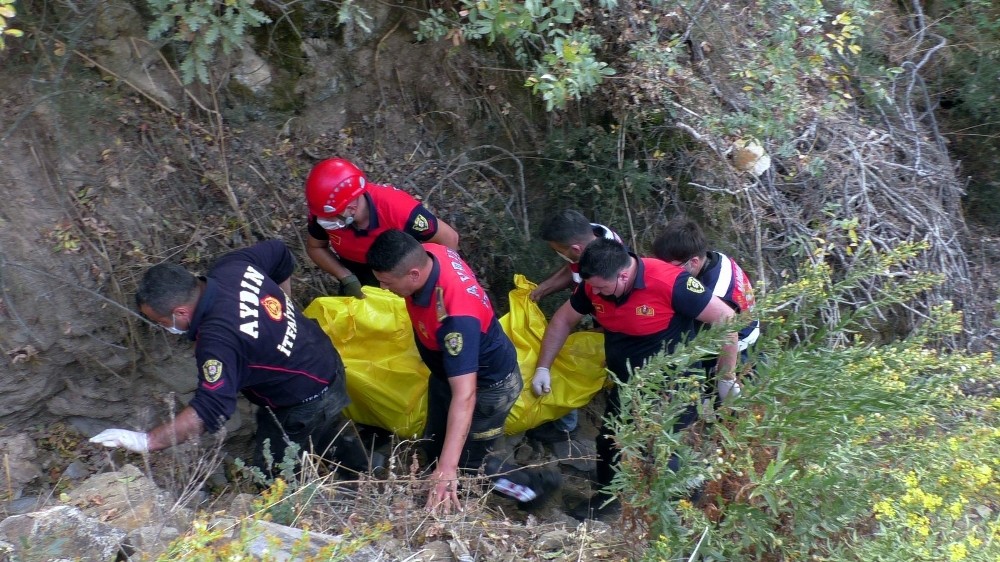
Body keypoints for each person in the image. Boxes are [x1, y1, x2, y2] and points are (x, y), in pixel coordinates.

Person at [90, 240, 369, 474]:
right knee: (328, 429)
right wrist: (283, 309)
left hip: (303, 399)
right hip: (325, 357)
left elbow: (211, 407)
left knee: (273, 472)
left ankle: (310, 504)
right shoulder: (232, 267)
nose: (164, 328)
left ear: (181, 313)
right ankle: (364, 471)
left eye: (162, 322)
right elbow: (279, 252)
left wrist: (147, 441)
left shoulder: (217, 342)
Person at [533, 238, 739, 520]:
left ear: (623, 275)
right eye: (593, 288)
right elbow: (563, 320)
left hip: (674, 382)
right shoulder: (595, 284)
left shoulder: (670, 282)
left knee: (659, 445)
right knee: (610, 439)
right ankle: (609, 499)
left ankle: (686, 508)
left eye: (602, 288)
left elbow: (727, 318)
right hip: (628, 382)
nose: (596, 294)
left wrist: (726, 377)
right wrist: (543, 367)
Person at [366, 230, 560, 514]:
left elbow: (466, 396)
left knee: (469, 464)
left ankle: (533, 487)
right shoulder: (432, 252)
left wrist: (448, 469)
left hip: (488, 387)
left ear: (414, 275)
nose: (383, 288)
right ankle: (433, 482)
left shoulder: (457, 319)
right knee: (434, 440)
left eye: (387, 283)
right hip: (449, 373)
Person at [527, 209, 623, 443]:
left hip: (616, 327)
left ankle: (571, 427)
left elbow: (622, 314)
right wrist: (545, 288)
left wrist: (602, 335)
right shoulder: (593, 234)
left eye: (559, 251)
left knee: (575, 363)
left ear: (576, 249)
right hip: (599, 315)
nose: (558, 254)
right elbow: (573, 269)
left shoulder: (611, 269)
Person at [304, 158, 460, 299]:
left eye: (329, 217)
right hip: (356, 271)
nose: (323, 221)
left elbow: (448, 238)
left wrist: (434, 287)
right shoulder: (325, 211)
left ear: (351, 207)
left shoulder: (399, 211)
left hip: (399, 274)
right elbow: (315, 247)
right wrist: (345, 276)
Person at [653, 216, 759, 401]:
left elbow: (729, 334)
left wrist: (726, 378)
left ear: (693, 262)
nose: (665, 273)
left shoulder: (716, 293)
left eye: (670, 268)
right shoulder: (712, 258)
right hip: (742, 328)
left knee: (724, 402)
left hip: (738, 346)